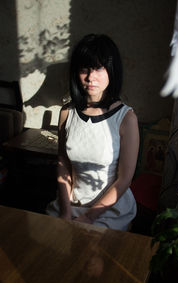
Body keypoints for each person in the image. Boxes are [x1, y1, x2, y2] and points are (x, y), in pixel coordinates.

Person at [46, 33, 139, 231]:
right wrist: (65, 211)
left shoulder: (126, 118)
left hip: (108, 210)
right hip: (70, 204)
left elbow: (124, 179)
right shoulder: (67, 113)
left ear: (112, 71)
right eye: (84, 69)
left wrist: (89, 217)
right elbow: (63, 165)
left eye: (99, 68)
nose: (90, 77)